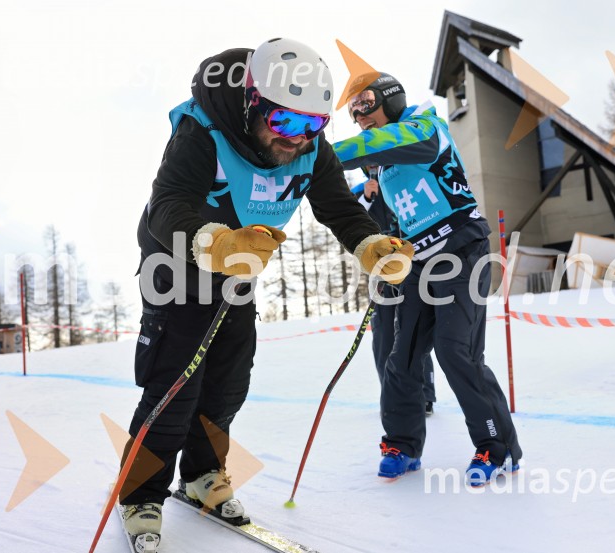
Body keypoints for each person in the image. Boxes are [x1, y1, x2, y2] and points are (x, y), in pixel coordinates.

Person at [120, 40, 413, 551]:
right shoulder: (202, 133)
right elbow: (167, 205)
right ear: (254, 102)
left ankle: (203, 475)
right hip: (178, 258)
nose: (297, 140)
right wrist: (217, 243)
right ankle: (141, 494)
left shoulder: (308, 147)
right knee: (175, 383)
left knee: (229, 381)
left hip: (238, 265)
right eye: (286, 124)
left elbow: (338, 208)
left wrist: (372, 247)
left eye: (312, 127)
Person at [333, 72, 522, 486]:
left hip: (461, 252)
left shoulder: (423, 127)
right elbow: (390, 216)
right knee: (400, 357)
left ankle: (497, 446)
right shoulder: (382, 167)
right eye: (351, 111)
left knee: (456, 351)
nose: (359, 116)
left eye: (364, 103)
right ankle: (401, 444)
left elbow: (386, 142)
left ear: (389, 97)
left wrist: (320, 154)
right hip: (420, 263)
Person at [351, 167, 436, 415]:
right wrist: (367, 198)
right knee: (384, 334)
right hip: (380, 268)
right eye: (369, 163)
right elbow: (353, 225)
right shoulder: (360, 191)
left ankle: (425, 395)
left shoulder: (404, 182)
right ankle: (391, 394)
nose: (373, 167)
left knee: (415, 329)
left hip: (412, 265)